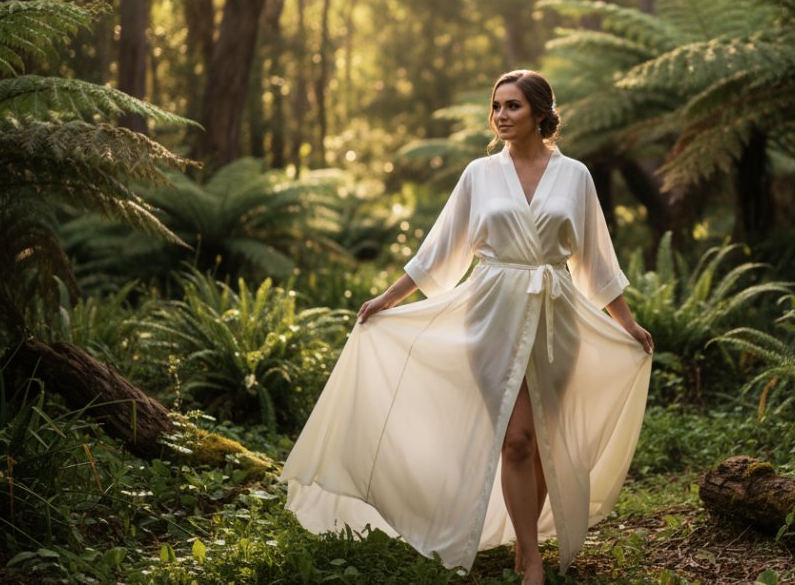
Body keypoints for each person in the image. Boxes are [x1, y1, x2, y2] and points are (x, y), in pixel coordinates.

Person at [280, 69, 654, 585]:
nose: (501, 115)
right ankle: (533, 559)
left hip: (555, 317)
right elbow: (439, 250)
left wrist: (628, 325)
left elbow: (595, 261)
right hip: (491, 315)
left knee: (545, 438)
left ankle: (527, 547)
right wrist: (387, 300)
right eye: (496, 106)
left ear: (541, 113)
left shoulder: (576, 177)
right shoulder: (479, 174)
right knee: (516, 438)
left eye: (513, 106)